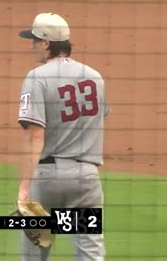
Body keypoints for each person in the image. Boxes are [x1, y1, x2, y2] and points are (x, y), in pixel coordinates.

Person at [16, 13, 110, 261]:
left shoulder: (37, 77)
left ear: (47, 43)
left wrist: (24, 189)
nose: (31, 45)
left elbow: (35, 135)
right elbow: (100, 118)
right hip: (87, 178)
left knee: (36, 251)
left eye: (34, 40)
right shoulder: (95, 77)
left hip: (48, 178)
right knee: (90, 252)